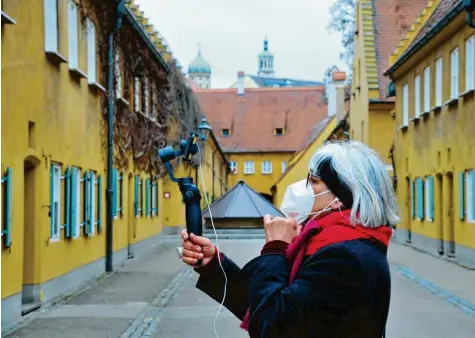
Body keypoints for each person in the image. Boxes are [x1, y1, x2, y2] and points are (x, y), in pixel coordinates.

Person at [179, 141, 399, 337]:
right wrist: (213, 265)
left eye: (313, 181)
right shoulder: (336, 243)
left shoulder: (344, 258)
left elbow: (272, 325)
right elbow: (265, 303)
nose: (301, 189)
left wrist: (275, 249)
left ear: (339, 199)